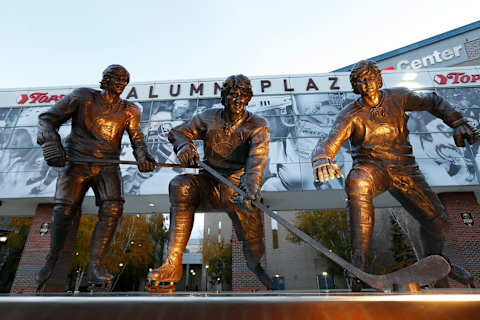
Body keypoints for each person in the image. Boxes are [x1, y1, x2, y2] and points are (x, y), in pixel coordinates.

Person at [311, 60, 477, 289]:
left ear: (379, 79)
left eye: (370, 78)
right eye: (360, 81)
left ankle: (435, 267)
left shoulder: (398, 97)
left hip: (405, 169)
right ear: (355, 86)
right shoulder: (350, 114)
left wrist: (457, 121)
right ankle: (359, 268)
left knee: (438, 223)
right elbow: (329, 142)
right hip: (372, 168)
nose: (366, 83)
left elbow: (434, 100)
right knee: (357, 181)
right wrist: (322, 158)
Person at [147, 74, 273, 290]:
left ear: (248, 99)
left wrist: (250, 189)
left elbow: (256, 161)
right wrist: (184, 146)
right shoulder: (208, 117)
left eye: (242, 96)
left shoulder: (258, 125)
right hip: (209, 183)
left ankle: (257, 269)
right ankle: (172, 264)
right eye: (233, 95)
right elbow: (178, 132)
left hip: (238, 188)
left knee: (253, 250)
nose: (237, 100)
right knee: (180, 186)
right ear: (224, 97)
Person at [35, 64, 156, 289]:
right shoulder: (83, 97)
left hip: (108, 165)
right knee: (64, 210)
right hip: (77, 162)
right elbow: (46, 119)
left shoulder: (130, 110)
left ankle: (95, 265)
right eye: (116, 79)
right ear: (105, 79)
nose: (120, 84)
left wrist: (143, 157)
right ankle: (52, 257)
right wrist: (51, 143)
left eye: (124, 81)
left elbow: (137, 139)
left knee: (113, 207)